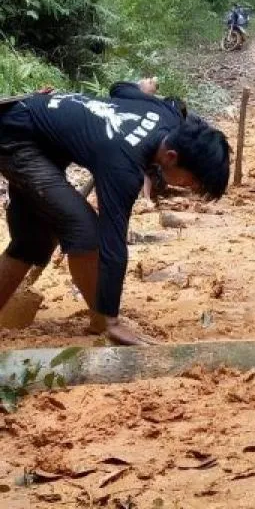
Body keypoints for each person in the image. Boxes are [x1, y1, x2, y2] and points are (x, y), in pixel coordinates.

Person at [0, 79, 230, 345]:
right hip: (17, 137)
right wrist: (112, 319)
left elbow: (120, 89)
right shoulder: (123, 168)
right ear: (171, 157)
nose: (188, 188)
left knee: (31, 242)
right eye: (190, 181)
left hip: (33, 124)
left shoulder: (166, 116)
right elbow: (113, 245)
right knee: (84, 230)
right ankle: (101, 321)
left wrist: (142, 89)